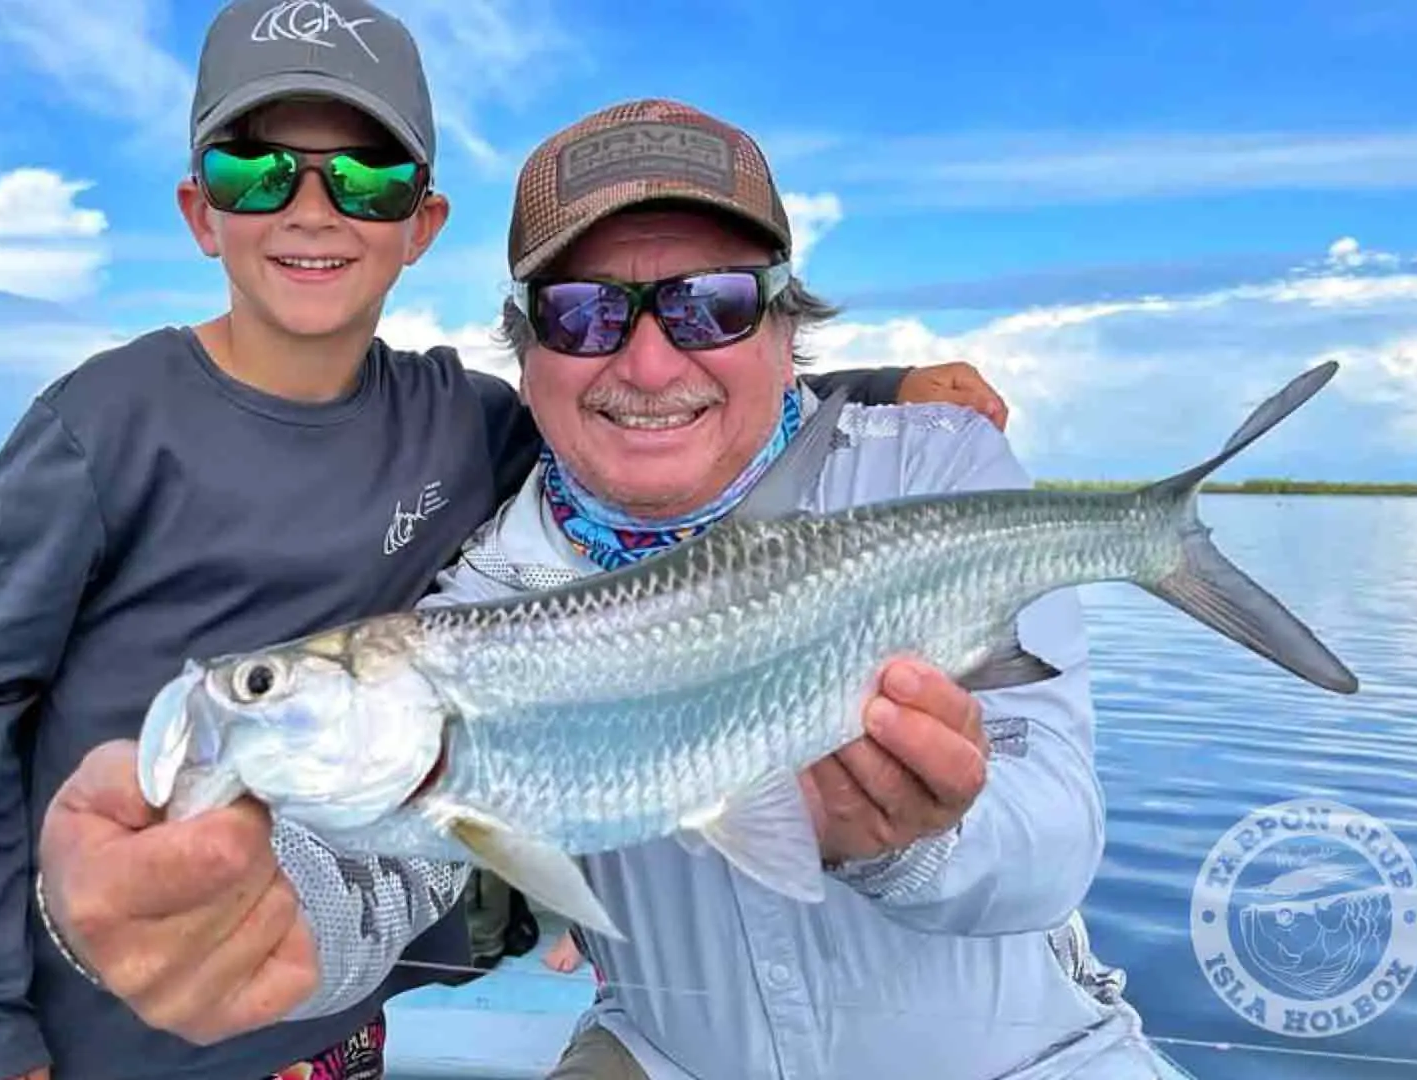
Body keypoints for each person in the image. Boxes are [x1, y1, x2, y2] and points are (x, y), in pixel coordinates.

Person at [0, 2, 1007, 1078]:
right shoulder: (100, 428)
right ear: (198, 210)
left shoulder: (462, 419)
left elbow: (650, 401)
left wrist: (882, 389)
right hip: (109, 1002)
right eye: (256, 170)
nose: (312, 209)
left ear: (422, 223)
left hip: (325, 1012)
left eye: (367, 176)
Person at [411, 97, 1199, 1079]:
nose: (650, 363)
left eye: (714, 304)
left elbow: (1057, 838)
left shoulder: (934, 475)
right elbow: (385, 849)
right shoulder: (479, 609)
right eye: (583, 312)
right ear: (526, 359)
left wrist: (916, 843)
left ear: (786, 335)